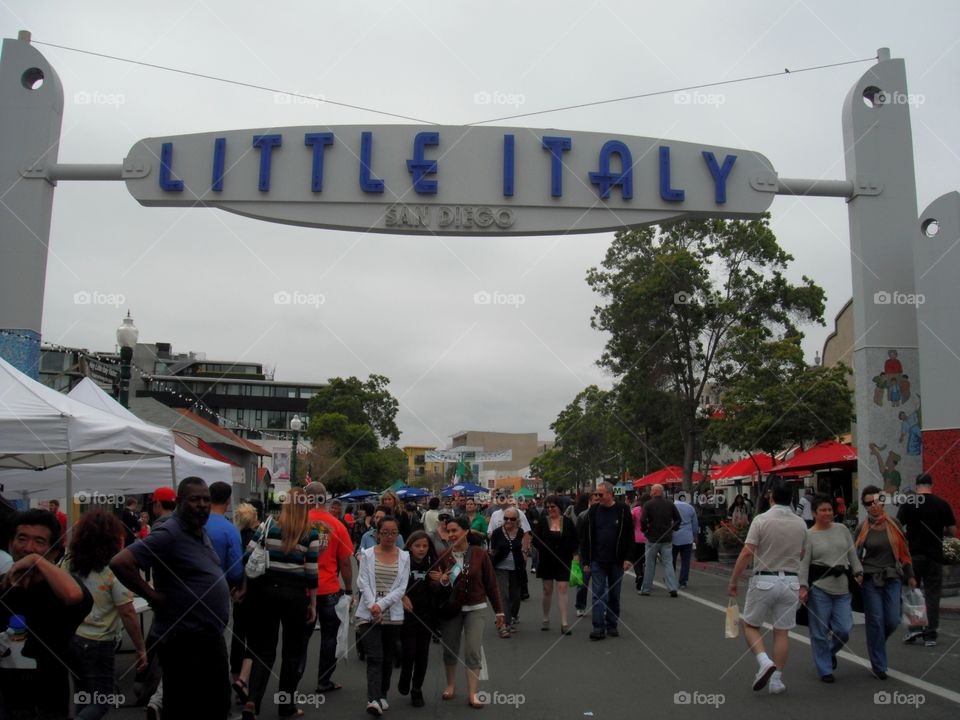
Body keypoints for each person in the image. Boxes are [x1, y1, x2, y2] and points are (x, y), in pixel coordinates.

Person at [110, 477, 232, 720]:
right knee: (183, 707)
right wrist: (153, 596)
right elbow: (121, 562)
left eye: (206, 499)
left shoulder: (198, 531)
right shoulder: (171, 532)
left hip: (208, 637)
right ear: (178, 502)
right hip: (185, 640)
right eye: (194, 499)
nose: (202, 504)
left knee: (217, 704)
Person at [0, 508, 92, 720]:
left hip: (48, 703)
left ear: (53, 552)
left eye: (39, 541)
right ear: (9, 544)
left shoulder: (60, 592)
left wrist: (36, 561)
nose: (28, 548)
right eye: (22, 538)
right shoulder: (2, 586)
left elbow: (73, 595)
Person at [239, 488, 320, 719]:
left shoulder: (268, 525)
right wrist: (313, 603)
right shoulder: (310, 532)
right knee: (292, 652)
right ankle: (286, 705)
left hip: (266, 591)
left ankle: (253, 701)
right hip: (294, 595)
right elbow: (311, 572)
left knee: (264, 649)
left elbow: (247, 556)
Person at [728, 475, 807, 695]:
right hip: (791, 580)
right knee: (782, 631)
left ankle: (764, 661)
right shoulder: (800, 523)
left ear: (771, 497)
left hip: (765, 578)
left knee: (751, 626)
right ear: (791, 498)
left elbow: (747, 553)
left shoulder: (761, 520)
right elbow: (801, 553)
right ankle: (777, 680)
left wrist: (733, 581)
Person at [67, 510, 148, 720]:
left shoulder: (68, 565)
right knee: (101, 701)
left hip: (72, 638)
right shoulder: (114, 569)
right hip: (99, 643)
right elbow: (128, 612)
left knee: (82, 697)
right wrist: (140, 647)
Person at [430, 516, 504, 708]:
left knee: (472, 650)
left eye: (455, 530)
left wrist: (499, 612)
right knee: (450, 648)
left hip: (476, 607)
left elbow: (491, 584)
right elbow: (434, 586)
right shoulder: (443, 556)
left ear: (466, 531)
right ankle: (451, 685)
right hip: (451, 609)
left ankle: (473, 693)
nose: (452, 535)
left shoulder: (480, 554)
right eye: (449, 531)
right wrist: (443, 581)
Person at [798, 494, 863, 683]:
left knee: (843, 629)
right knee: (819, 632)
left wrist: (858, 571)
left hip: (842, 587)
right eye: (823, 510)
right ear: (814, 513)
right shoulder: (809, 535)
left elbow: (851, 552)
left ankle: (829, 652)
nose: (828, 513)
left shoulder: (842, 529)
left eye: (830, 510)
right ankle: (825, 670)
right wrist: (803, 587)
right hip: (819, 589)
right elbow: (803, 564)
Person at [855, 485, 916, 679]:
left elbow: (904, 551)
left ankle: (876, 644)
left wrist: (911, 575)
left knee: (892, 619)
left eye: (877, 501)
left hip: (893, 577)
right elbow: (854, 555)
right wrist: (856, 573)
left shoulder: (894, 523)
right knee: (876, 621)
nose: (874, 506)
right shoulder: (861, 528)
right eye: (868, 503)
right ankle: (879, 665)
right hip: (870, 578)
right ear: (865, 506)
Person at [302, 481, 354, 696]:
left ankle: (291, 679)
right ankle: (324, 680)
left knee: (300, 638)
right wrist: (349, 589)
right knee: (329, 635)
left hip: (303, 589)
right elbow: (345, 563)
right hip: (330, 588)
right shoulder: (338, 525)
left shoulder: (298, 523)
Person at [356, 515, 410, 716]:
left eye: (393, 533)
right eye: (385, 532)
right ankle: (373, 699)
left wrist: (381, 604)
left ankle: (382, 694)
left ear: (398, 534)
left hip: (392, 615)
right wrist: (373, 605)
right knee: (375, 656)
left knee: (388, 657)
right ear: (377, 534)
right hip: (368, 614)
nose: (389, 536)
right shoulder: (368, 555)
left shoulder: (404, 557)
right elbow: (363, 582)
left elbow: (401, 588)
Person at [898, 473, 957, 647]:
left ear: (917, 486)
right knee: (933, 594)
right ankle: (930, 635)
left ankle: (915, 629)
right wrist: (940, 534)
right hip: (935, 556)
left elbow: (897, 526)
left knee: (913, 592)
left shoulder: (909, 503)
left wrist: (908, 536)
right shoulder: (942, 504)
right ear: (931, 485)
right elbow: (953, 531)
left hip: (914, 555)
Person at [579, 482, 633, 640]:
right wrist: (587, 561)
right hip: (597, 560)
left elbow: (630, 535)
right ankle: (598, 628)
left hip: (616, 560)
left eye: (600, 495)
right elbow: (586, 537)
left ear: (610, 494)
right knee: (598, 594)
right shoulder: (593, 511)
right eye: (596, 494)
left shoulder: (622, 510)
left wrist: (629, 558)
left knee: (614, 594)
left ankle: (612, 624)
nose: (597, 497)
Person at [398, 530, 440, 707]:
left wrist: (441, 581)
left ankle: (417, 689)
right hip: (407, 614)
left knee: (422, 653)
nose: (421, 549)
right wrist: (401, 597)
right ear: (410, 547)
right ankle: (405, 675)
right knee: (409, 651)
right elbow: (394, 584)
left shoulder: (433, 563)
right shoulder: (402, 562)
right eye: (417, 546)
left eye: (425, 546)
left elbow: (441, 591)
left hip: (426, 614)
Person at [532, 495, 579, 634]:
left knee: (563, 588)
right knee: (547, 590)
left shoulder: (568, 522)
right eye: (547, 507)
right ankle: (546, 618)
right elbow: (536, 540)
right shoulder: (542, 521)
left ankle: (564, 623)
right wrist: (544, 548)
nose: (550, 509)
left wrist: (574, 554)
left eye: (553, 507)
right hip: (547, 560)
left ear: (559, 507)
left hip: (563, 560)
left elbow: (575, 540)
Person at [230, 502, 260, 706]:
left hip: (235, 592)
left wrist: (233, 587)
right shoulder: (256, 538)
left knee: (238, 634)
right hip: (254, 592)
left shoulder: (233, 538)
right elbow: (254, 566)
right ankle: (244, 679)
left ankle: (235, 678)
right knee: (256, 638)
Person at [639, 484, 681, 597]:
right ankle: (672, 587)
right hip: (666, 538)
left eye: (652, 490)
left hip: (652, 538)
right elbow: (678, 519)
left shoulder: (648, 504)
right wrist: (673, 529)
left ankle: (646, 589)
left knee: (649, 564)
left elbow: (642, 520)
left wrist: (645, 530)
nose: (650, 492)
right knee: (668, 563)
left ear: (655, 491)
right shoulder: (669, 503)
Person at [489, 507, 525, 636]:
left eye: (512, 519)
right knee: (503, 595)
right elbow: (492, 550)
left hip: (516, 568)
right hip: (500, 568)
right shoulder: (497, 532)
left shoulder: (520, 532)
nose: (508, 521)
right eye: (506, 518)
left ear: (517, 520)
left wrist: (525, 555)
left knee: (515, 596)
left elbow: (523, 548)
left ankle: (511, 617)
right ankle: (504, 625)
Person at [206, 481, 244, 587]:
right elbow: (235, 571)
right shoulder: (231, 530)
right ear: (228, 500)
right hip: (219, 587)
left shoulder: (195, 524)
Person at [672, 494, 699, 589]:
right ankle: (683, 581)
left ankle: (670, 578)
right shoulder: (690, 507)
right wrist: (695, 536)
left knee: (672, 559)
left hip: (674, 536)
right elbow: (695, 524)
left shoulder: (672, 506)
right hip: (687, 537)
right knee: (686, 560)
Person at [630, 493, 649, 592]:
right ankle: (644, 576)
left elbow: (630, 521)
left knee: (636, 559)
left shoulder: (635, 510)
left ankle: (639, 574)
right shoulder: (651, 510)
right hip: (648, 538)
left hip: (636, 538)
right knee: (647, 560)